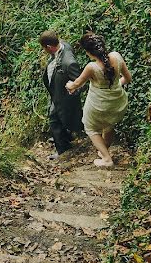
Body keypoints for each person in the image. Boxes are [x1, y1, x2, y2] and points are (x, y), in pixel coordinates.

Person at [66, 32, 131, 168]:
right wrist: (114, 85)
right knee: (109, 125)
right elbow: (127, 79)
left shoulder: (92, 67)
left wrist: (69, 85)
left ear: (89, 52)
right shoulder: (117, 57)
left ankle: (107, 159)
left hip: (98, 104)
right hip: (118, 101)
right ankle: (104, 151)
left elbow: (77, 84)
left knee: (91, 128)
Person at [39, 31, 84, 159]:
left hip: (63, 98)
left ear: (49, 47)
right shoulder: (63, 46)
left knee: (54, 121)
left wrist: (69, 97)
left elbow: (79, 83)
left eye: (44, 48)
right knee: (57, 120)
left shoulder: (69, 62)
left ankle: (62, 151)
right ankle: (66, 140)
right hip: (55, 93)